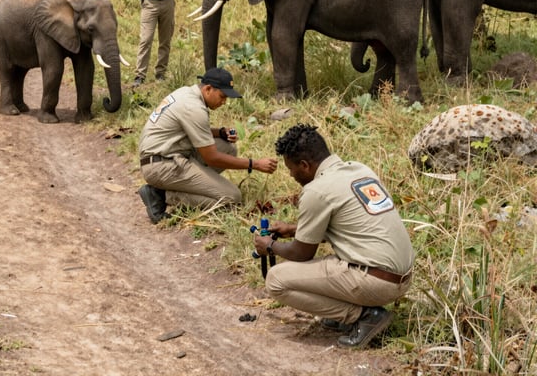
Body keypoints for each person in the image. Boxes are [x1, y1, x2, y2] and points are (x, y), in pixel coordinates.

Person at [252, 124, 414, 349]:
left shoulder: (316, 190)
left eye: (291, 169)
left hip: (376, 282)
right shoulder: (360, 170)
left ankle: (362, 315)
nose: (290, 175)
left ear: (305, 165)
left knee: (276, 280)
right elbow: (353, 227)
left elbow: (301, 253)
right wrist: (292, 229)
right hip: (401, 277)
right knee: (326, 266)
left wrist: (268, 245)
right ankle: (350, 311)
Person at [137, 67, 278, 223]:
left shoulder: (186, 93)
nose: (224, 102)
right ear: (208, 89)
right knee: (231, 198)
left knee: (228, 148)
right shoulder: (194, 108)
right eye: (222, 96)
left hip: (164, 156)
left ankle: (188, 186)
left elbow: (189, 130)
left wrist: (221, 132)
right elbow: (212, 158)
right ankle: (161, 195)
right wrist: (255, 164)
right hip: (162, 165)